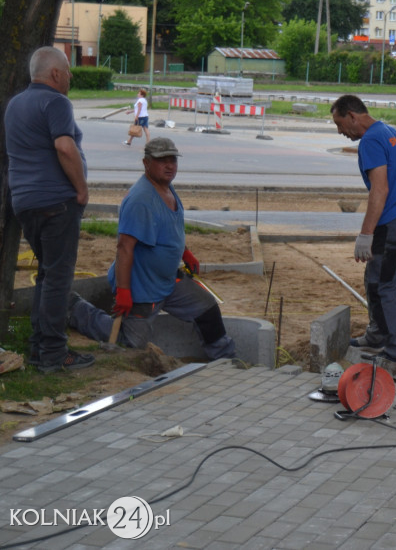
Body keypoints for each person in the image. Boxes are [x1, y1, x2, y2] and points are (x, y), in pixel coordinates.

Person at [68, 138, 237, 359]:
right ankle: (75, 309)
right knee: (131, 342)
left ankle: (224, 358)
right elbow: (124, 249)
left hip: (167, 282)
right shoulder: (140, 200)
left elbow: (169, 228)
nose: (169, 166)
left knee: (206, 307)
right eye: (162, 161)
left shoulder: (167, 189)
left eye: (172, 160)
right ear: (146, 163)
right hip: (142, 288)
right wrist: (124, 292)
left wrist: (185, 253)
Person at [4, 46, 93, 373]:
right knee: (58, 279)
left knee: (47, 275)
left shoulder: (15, 104)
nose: (70, 77)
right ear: (55, 73)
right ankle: (55, 354)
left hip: (25, 204)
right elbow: (64, 146)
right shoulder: (56, 102)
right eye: (68, 71)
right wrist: (81, 190)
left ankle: (38, 349)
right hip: (57, 203)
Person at [332, 95, 396, 366]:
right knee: (374, 277)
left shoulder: (371, 140)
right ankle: (377, 334)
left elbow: (379, 189)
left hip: (394, 218)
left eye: (339, 124)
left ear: (352, 116)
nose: (340, 131)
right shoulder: (389, 131)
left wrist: (366, 234)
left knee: (385, 284)